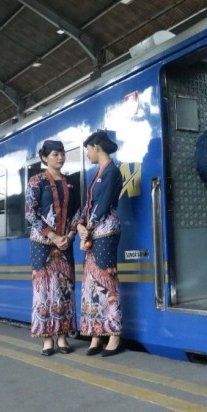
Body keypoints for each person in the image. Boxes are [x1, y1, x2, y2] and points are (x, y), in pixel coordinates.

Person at [26, 140, 78, 356]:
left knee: (64, 289)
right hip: (42, 244)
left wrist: (71, 234)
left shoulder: (71, 182)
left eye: (62, 153)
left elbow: (77, 211)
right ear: (44, 158)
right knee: (44, 290)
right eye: (55, 154)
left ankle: (63, 336)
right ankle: (47, 339)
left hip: (65, 243)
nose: (60, 157)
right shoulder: (35, 182)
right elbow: (30, 213)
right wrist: (54, 236)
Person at [76, 129, 125, 357]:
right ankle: (96, 334)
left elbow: (103, 205)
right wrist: (81, 225)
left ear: (97, 147)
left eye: (87, 149)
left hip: (105, 232)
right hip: (94, 234)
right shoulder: (99, 172)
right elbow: (88, 204)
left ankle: (114, 334)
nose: (87, 153)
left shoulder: (113, 172)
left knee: (107, 279)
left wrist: (89, 228)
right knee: (91, 284)